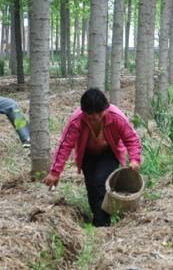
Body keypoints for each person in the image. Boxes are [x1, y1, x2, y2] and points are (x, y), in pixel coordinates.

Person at [43, 88, 142, 227]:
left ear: (106, 108)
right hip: (87, 155)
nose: (95, 117)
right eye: (90, 115)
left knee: (100, 182)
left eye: (99, 113)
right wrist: (55, 172)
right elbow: (65, 145)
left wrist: (135, 159)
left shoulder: (116, 116)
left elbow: (131, 138)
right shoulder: (76, 120)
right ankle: (97, 216)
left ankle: (102, 224)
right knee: (91, 187)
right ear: (84, 112)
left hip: (109, 152)